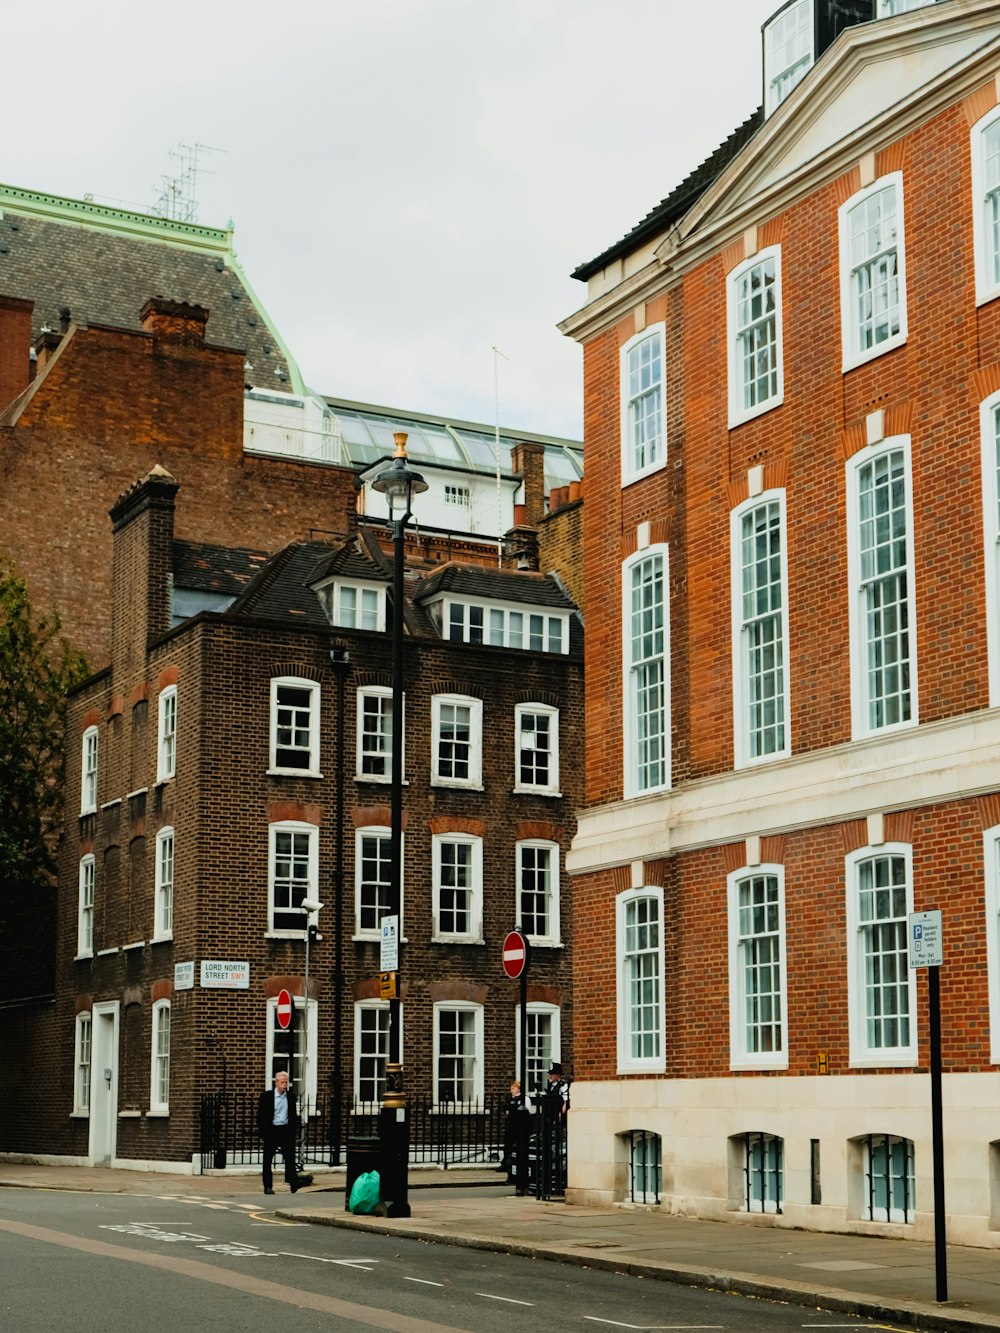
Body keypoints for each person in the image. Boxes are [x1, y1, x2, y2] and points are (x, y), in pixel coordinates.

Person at [257, 1069, 300, 1195]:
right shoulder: (267, 1096)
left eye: (286, 1083)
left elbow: (293, 1116)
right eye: (282, 1082)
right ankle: (268, 1187)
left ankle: (293, 1183)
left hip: (285, 1130)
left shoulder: (291, 1097)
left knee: (290, 1159)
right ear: (276, 1083)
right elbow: (261, 1116)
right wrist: (263, 1133)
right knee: (267, 1160)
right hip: (272, 1131)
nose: (285, 1085)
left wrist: (293, 1132)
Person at [498, 1079, 528, 1180]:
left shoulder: (524, 1098)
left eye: (513, 1088)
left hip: (519, 1127)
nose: (511, 1090)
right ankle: (505, 1163)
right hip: (511, 1125)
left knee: (518, 1147)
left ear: (519, 1089)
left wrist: (511, 1109)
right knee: (507, 1145)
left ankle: (512, 1165)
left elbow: (523, 1112)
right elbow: (506, 1109)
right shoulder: (510, 1099)